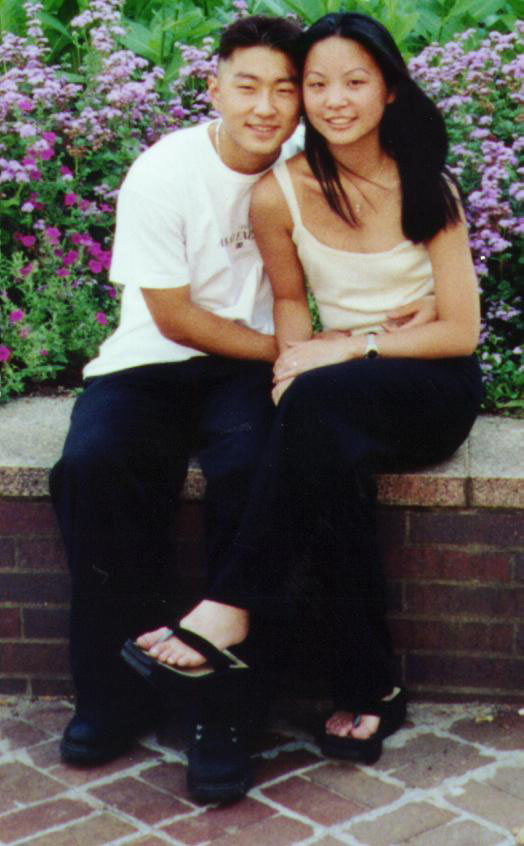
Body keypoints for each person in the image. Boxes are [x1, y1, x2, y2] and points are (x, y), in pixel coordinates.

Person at [132, 11, 482, 770]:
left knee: (319, 411)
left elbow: (460, 331)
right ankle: (371, 689)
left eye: (355, 81)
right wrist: (296, 369)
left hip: (430, 386)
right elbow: (291, 305)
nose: (334, 100)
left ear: (389, 89)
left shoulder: (429, 185)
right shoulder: (279, 194)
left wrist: (354, 345)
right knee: (323, 450)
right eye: (317, 84)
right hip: (345, 393)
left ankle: (229, 604)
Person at [50, 14, 303, 800]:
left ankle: (225, 713)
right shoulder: (164, 171)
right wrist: (287, 350)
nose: (266, 106)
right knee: (93, 465)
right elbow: (172, 316)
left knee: (253, 470)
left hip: (247, 373)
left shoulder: (308, 164)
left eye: (285, 89)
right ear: (213, 87)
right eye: (248, 85)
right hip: (152, 360)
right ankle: (112, 694)